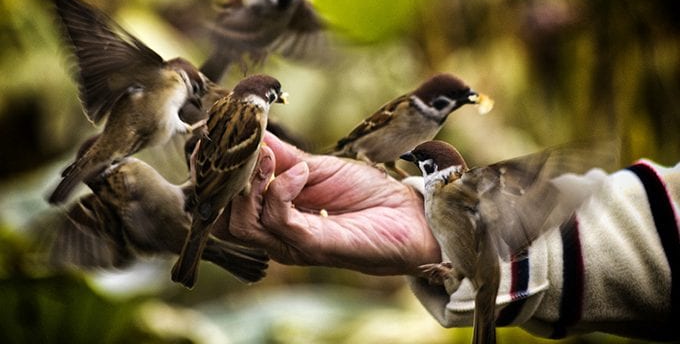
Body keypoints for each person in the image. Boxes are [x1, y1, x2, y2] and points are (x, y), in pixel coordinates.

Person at [227, 132, 679, 341]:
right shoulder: (444, 195)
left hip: (486, 272)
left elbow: (519, 192)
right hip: (483, 268)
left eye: (419, 163)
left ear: (432, 169)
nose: (414, 167)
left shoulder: (463, 188)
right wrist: (430, 244)